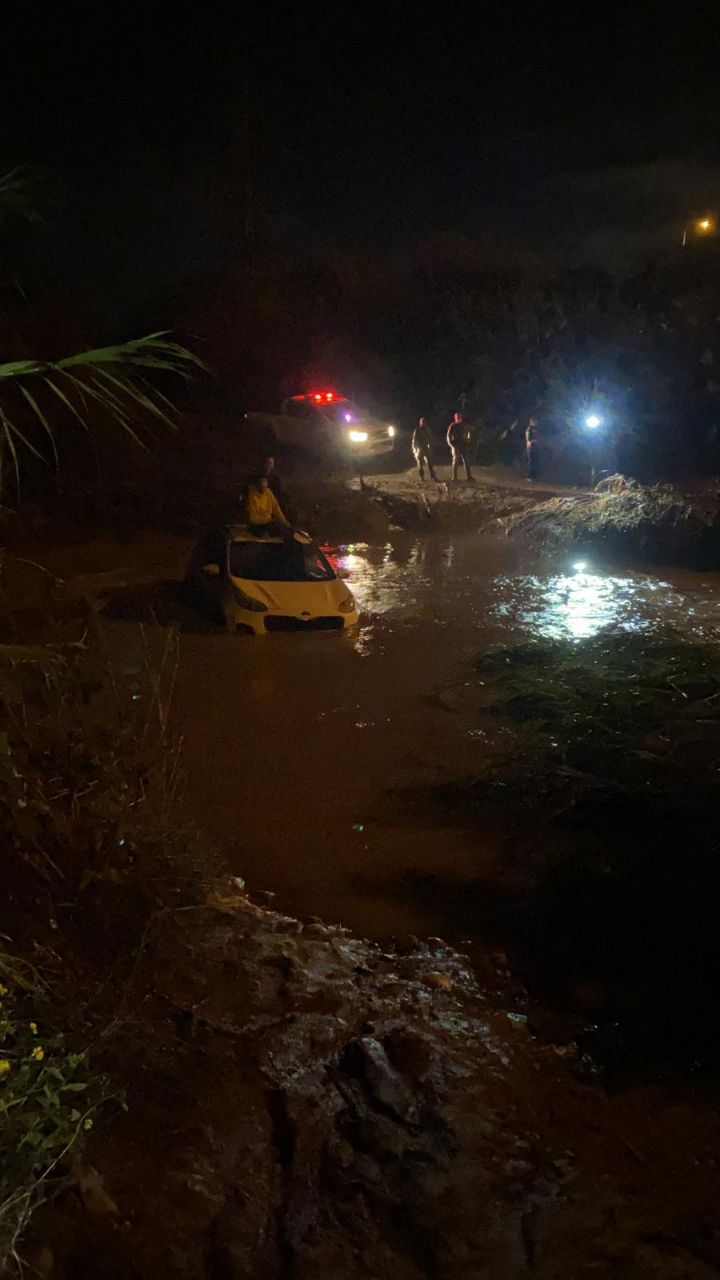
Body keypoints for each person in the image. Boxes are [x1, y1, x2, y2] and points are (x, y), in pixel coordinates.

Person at [446, 411, 473, 481]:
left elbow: (469, 432)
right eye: (457, 417)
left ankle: (469, 476)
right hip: (456, 445)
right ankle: (455, 477)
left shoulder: (464, 425)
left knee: (466, 461)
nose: (458, 418)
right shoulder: (452, 426)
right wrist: (451, 444)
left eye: (459, 417)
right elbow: (448, 436)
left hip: (463, 444)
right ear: (455, 418)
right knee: (455, 461)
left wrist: (468, 440)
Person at [411, 416, 438, 481]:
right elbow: (414, 440)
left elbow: (430, 438)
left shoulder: (427, 429)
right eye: (423, 422)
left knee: (429, 463)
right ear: (420, 423)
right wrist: (414, 449)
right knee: (420, 464)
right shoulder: (417, 430)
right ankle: (422, 476)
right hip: (420, 448)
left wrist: (431, 445)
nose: (424, 423)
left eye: (424, 422)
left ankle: (432, 476)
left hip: (426, 447)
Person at [525, 417, 541, 481]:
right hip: (531, 448)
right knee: (531, 462)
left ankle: (534, 476)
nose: (537, 423)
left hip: (535, 447)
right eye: (535, 421)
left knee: (535, 462)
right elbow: (529, 439)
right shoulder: (529, 429)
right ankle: (529, 476)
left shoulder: (536, 429)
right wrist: (536, 441)